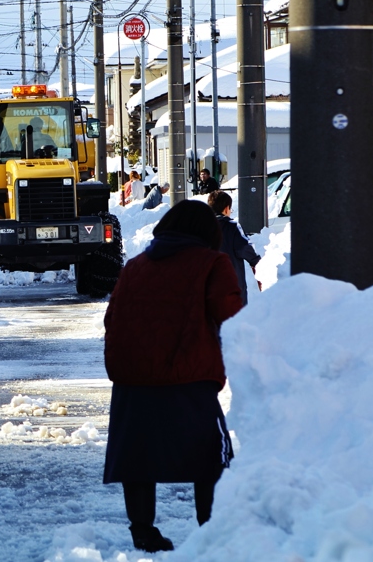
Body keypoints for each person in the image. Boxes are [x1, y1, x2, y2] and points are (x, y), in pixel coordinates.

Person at [103, 201, 243, 553]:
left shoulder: (135, 266)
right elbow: (232, 318)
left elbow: (112, 318)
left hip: (133, 378)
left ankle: (143, 531)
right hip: (189, 378)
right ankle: (210, 531)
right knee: (210, 456)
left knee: (138, 455)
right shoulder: (213, 263)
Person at [208, 190, 261, 304]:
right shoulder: (232, 227)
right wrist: (256, 262)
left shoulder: (199, 228)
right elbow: (244, 248)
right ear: (227, 208)